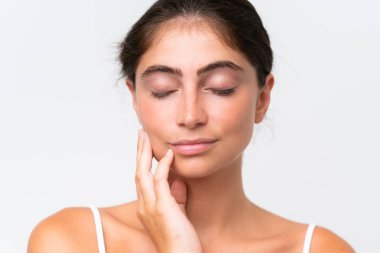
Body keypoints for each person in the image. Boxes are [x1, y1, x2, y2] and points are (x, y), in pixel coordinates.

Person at [28, 0, 355, 252]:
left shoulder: (318, 248)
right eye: (163, 90)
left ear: (262, 98)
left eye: (220, 87)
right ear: (136, 98)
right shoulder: (72, 240)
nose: (190, 115)